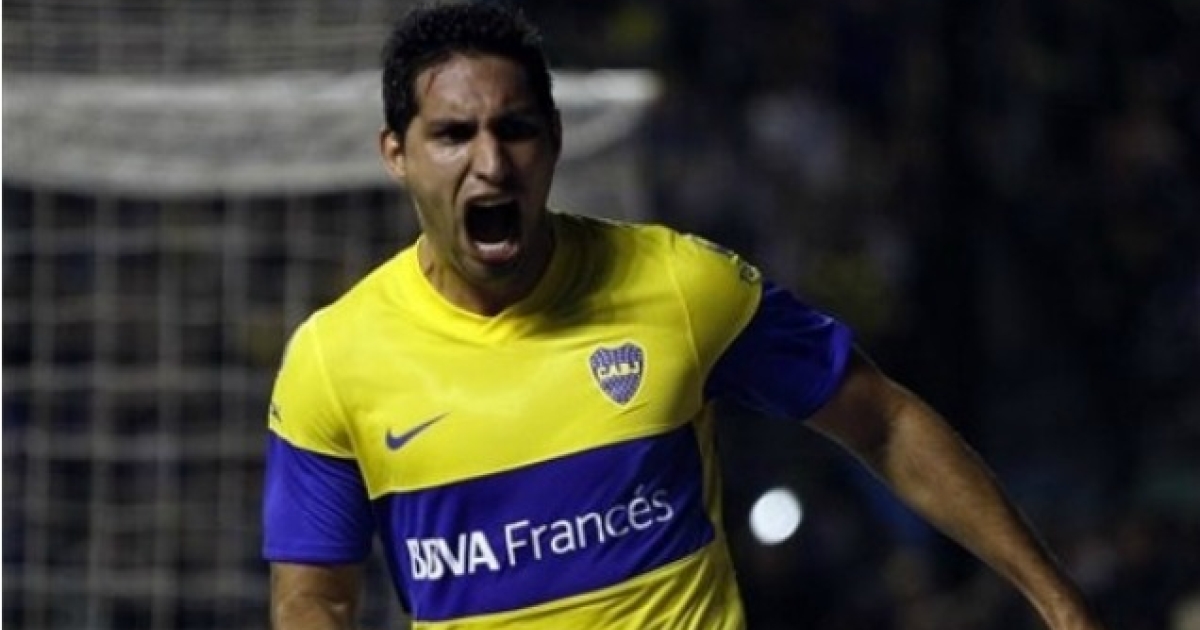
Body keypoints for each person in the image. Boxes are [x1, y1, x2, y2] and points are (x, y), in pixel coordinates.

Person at [261, 2, 1106, 629]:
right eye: (453, 134)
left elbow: (881, 422)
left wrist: (1060, 604)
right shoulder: (334, 359)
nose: (491, 163)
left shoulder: (677, 284)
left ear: (554, 138)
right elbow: (314, 597)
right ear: (397, 154)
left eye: (514, 128)